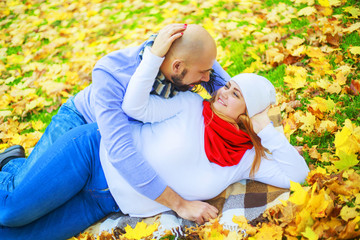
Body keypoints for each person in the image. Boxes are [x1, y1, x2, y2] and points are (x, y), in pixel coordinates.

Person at [0, 47, 309, 239]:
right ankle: (9, 167)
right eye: (226, 86)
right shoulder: (189, 105)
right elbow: (134, 106)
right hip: (91, 155)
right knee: (10, 212)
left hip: (104, 201)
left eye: (235, 95)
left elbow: (296, 175)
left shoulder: (243, 158)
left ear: (249, 114)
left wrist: (266, 130)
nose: (222, 92)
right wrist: (153, 56)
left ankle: (15, 165)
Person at [1, 24, 231, 223]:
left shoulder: (188, 56)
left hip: (107, 149)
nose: (207, 80)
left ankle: (14, 162)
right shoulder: (111, 72)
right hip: (80, 124)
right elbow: (120, 150)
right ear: (177, 67)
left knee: (38, 202)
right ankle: (10, 165)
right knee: (16, 201)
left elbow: (230, 91)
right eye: (203, 73)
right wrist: (179, 204)